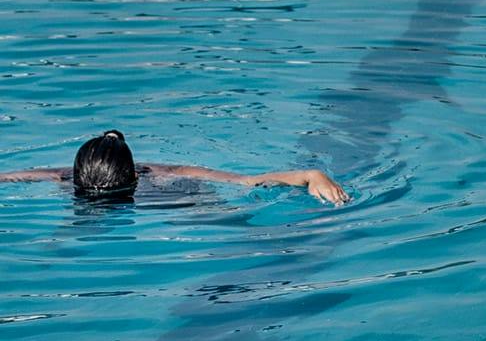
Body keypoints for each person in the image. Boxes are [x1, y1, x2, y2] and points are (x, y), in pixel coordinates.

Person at [0, 130, 348, 205]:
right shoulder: (168, 174)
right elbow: (250, 181)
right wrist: (311, 175)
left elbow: (9, 177)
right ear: (135, 173)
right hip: (159, 202)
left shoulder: (59, 178)